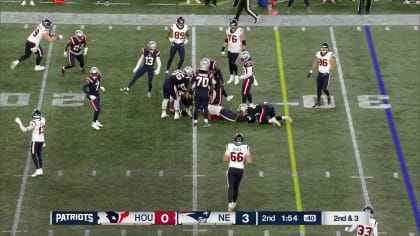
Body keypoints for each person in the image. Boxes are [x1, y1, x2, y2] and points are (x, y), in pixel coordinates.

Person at [223, 133, 252, 211]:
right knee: (236, 187)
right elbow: (249, 161)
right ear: (242, 140)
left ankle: (230, 204)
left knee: (231, 187)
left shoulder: (229, 146)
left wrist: (231, 158)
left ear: (235, 139)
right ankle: (234, 202)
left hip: (232, 169)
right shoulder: (246, 147)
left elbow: (225, 159)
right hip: (240, 170)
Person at [14, 109, 46, 177]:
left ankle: (38, 170)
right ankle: (40, 169)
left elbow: (25, 130)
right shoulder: (43, 119)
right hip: (41, 140)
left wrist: (19, 122)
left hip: (36, 140)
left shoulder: (34, 123)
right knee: (39, 154)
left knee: (33, 154)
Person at [307, 42, 336, 108]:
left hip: (326, 75)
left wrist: (328, 72)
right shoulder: (318, 54)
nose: (324, 49)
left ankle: (328, 96)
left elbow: (333, 65)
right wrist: (311, 71)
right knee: (318, 88)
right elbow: (316, 63)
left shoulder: (330, 55)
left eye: (325, 48)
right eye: (323, 48)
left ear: (328, 49)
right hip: (320, 74)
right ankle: (318, 101)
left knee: (324, 88)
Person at [187, 58, 213, 128]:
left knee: (196, 108)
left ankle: (195, 123)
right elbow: (211, 86)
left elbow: (191, 82)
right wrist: (211, 94)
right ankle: (205, 123)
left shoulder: (196, 73)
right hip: (205, 93)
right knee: (205, 108)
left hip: (197, 92)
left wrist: (187, 91)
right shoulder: (209, 75)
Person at [221, 18, 246, 85]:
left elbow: (243, 42)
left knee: (233, 63)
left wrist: (243, 51)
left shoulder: (240, 31)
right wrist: (223, 48)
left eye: (234, 25)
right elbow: (226, 39)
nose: (232, 26)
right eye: (231, 25)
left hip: (237, 50)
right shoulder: (228, 29)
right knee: (230, 64)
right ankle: (231, 76)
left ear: (236, 25)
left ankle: (236, 76)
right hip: (230, 49)